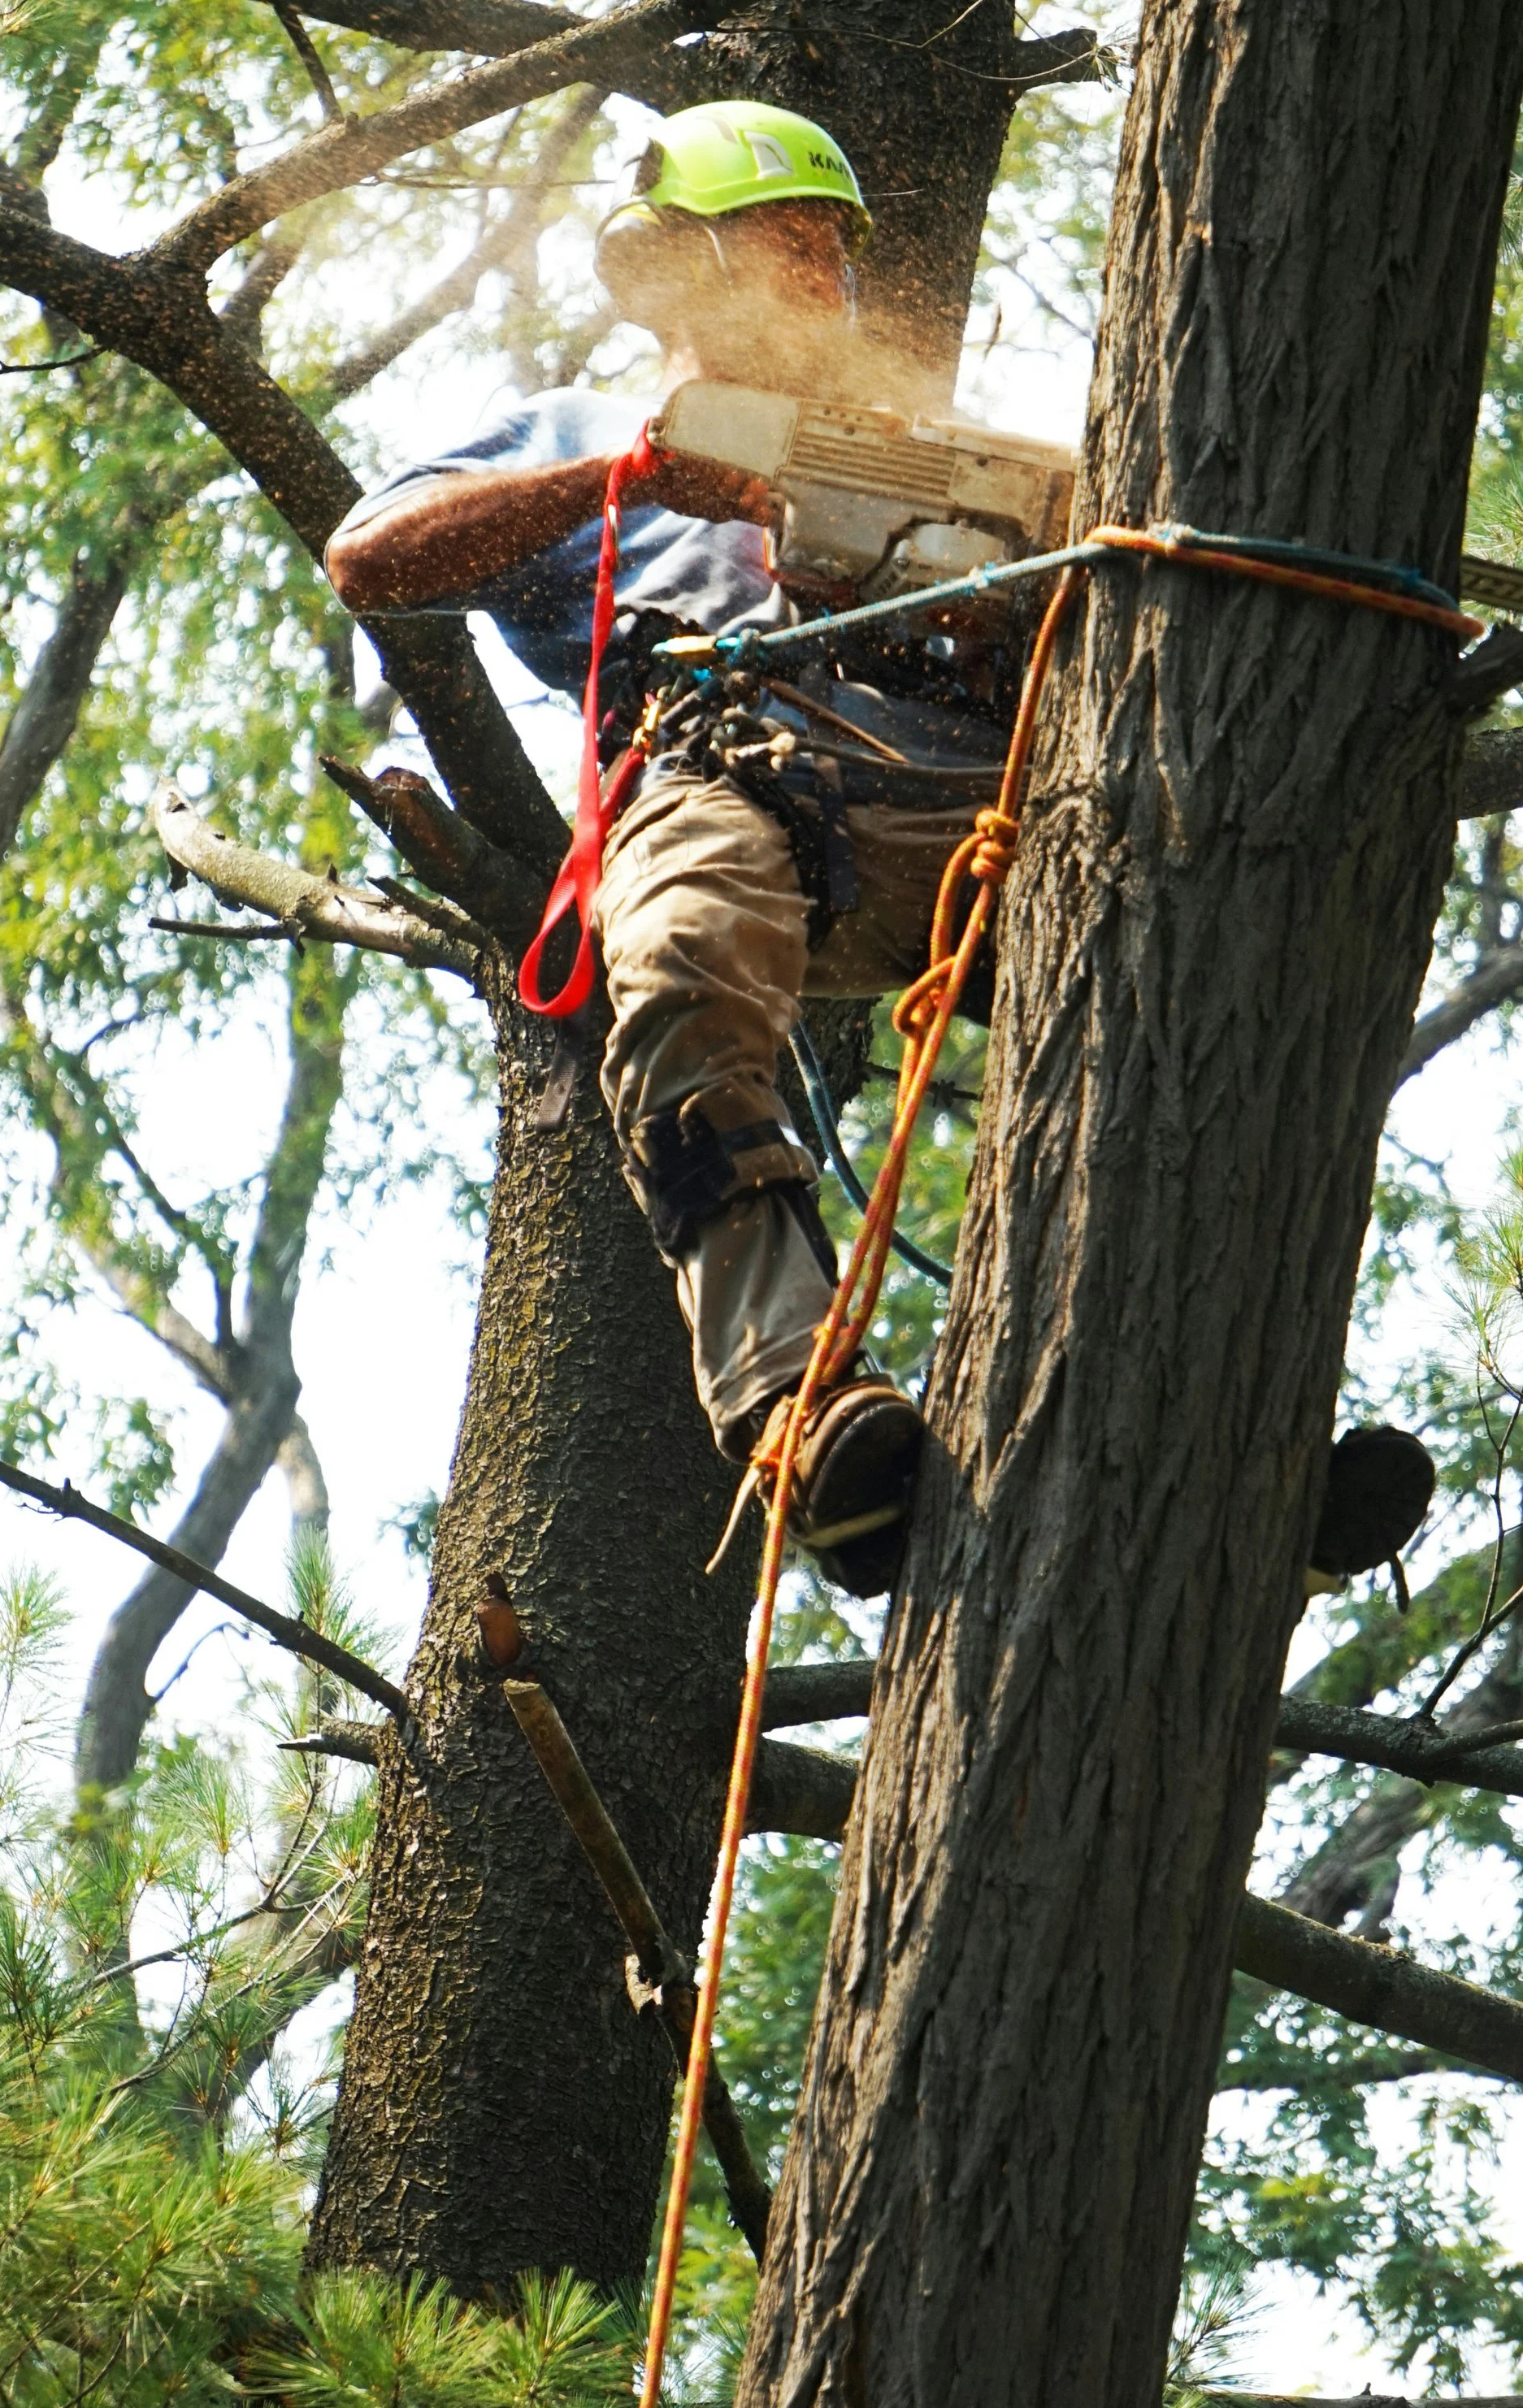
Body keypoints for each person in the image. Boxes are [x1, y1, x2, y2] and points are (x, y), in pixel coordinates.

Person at [326, 98, 1434, 1604]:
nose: (826, 281)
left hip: (971, 798)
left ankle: (1233, 1427)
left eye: (838, 253)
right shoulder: (583, 435)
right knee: (687, 960)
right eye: (790, 246)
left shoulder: (926, 452)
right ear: (679, 268)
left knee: (1193, 976)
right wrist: (642, 479)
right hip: (730, 773)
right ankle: (800, 1413)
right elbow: (372, 561)